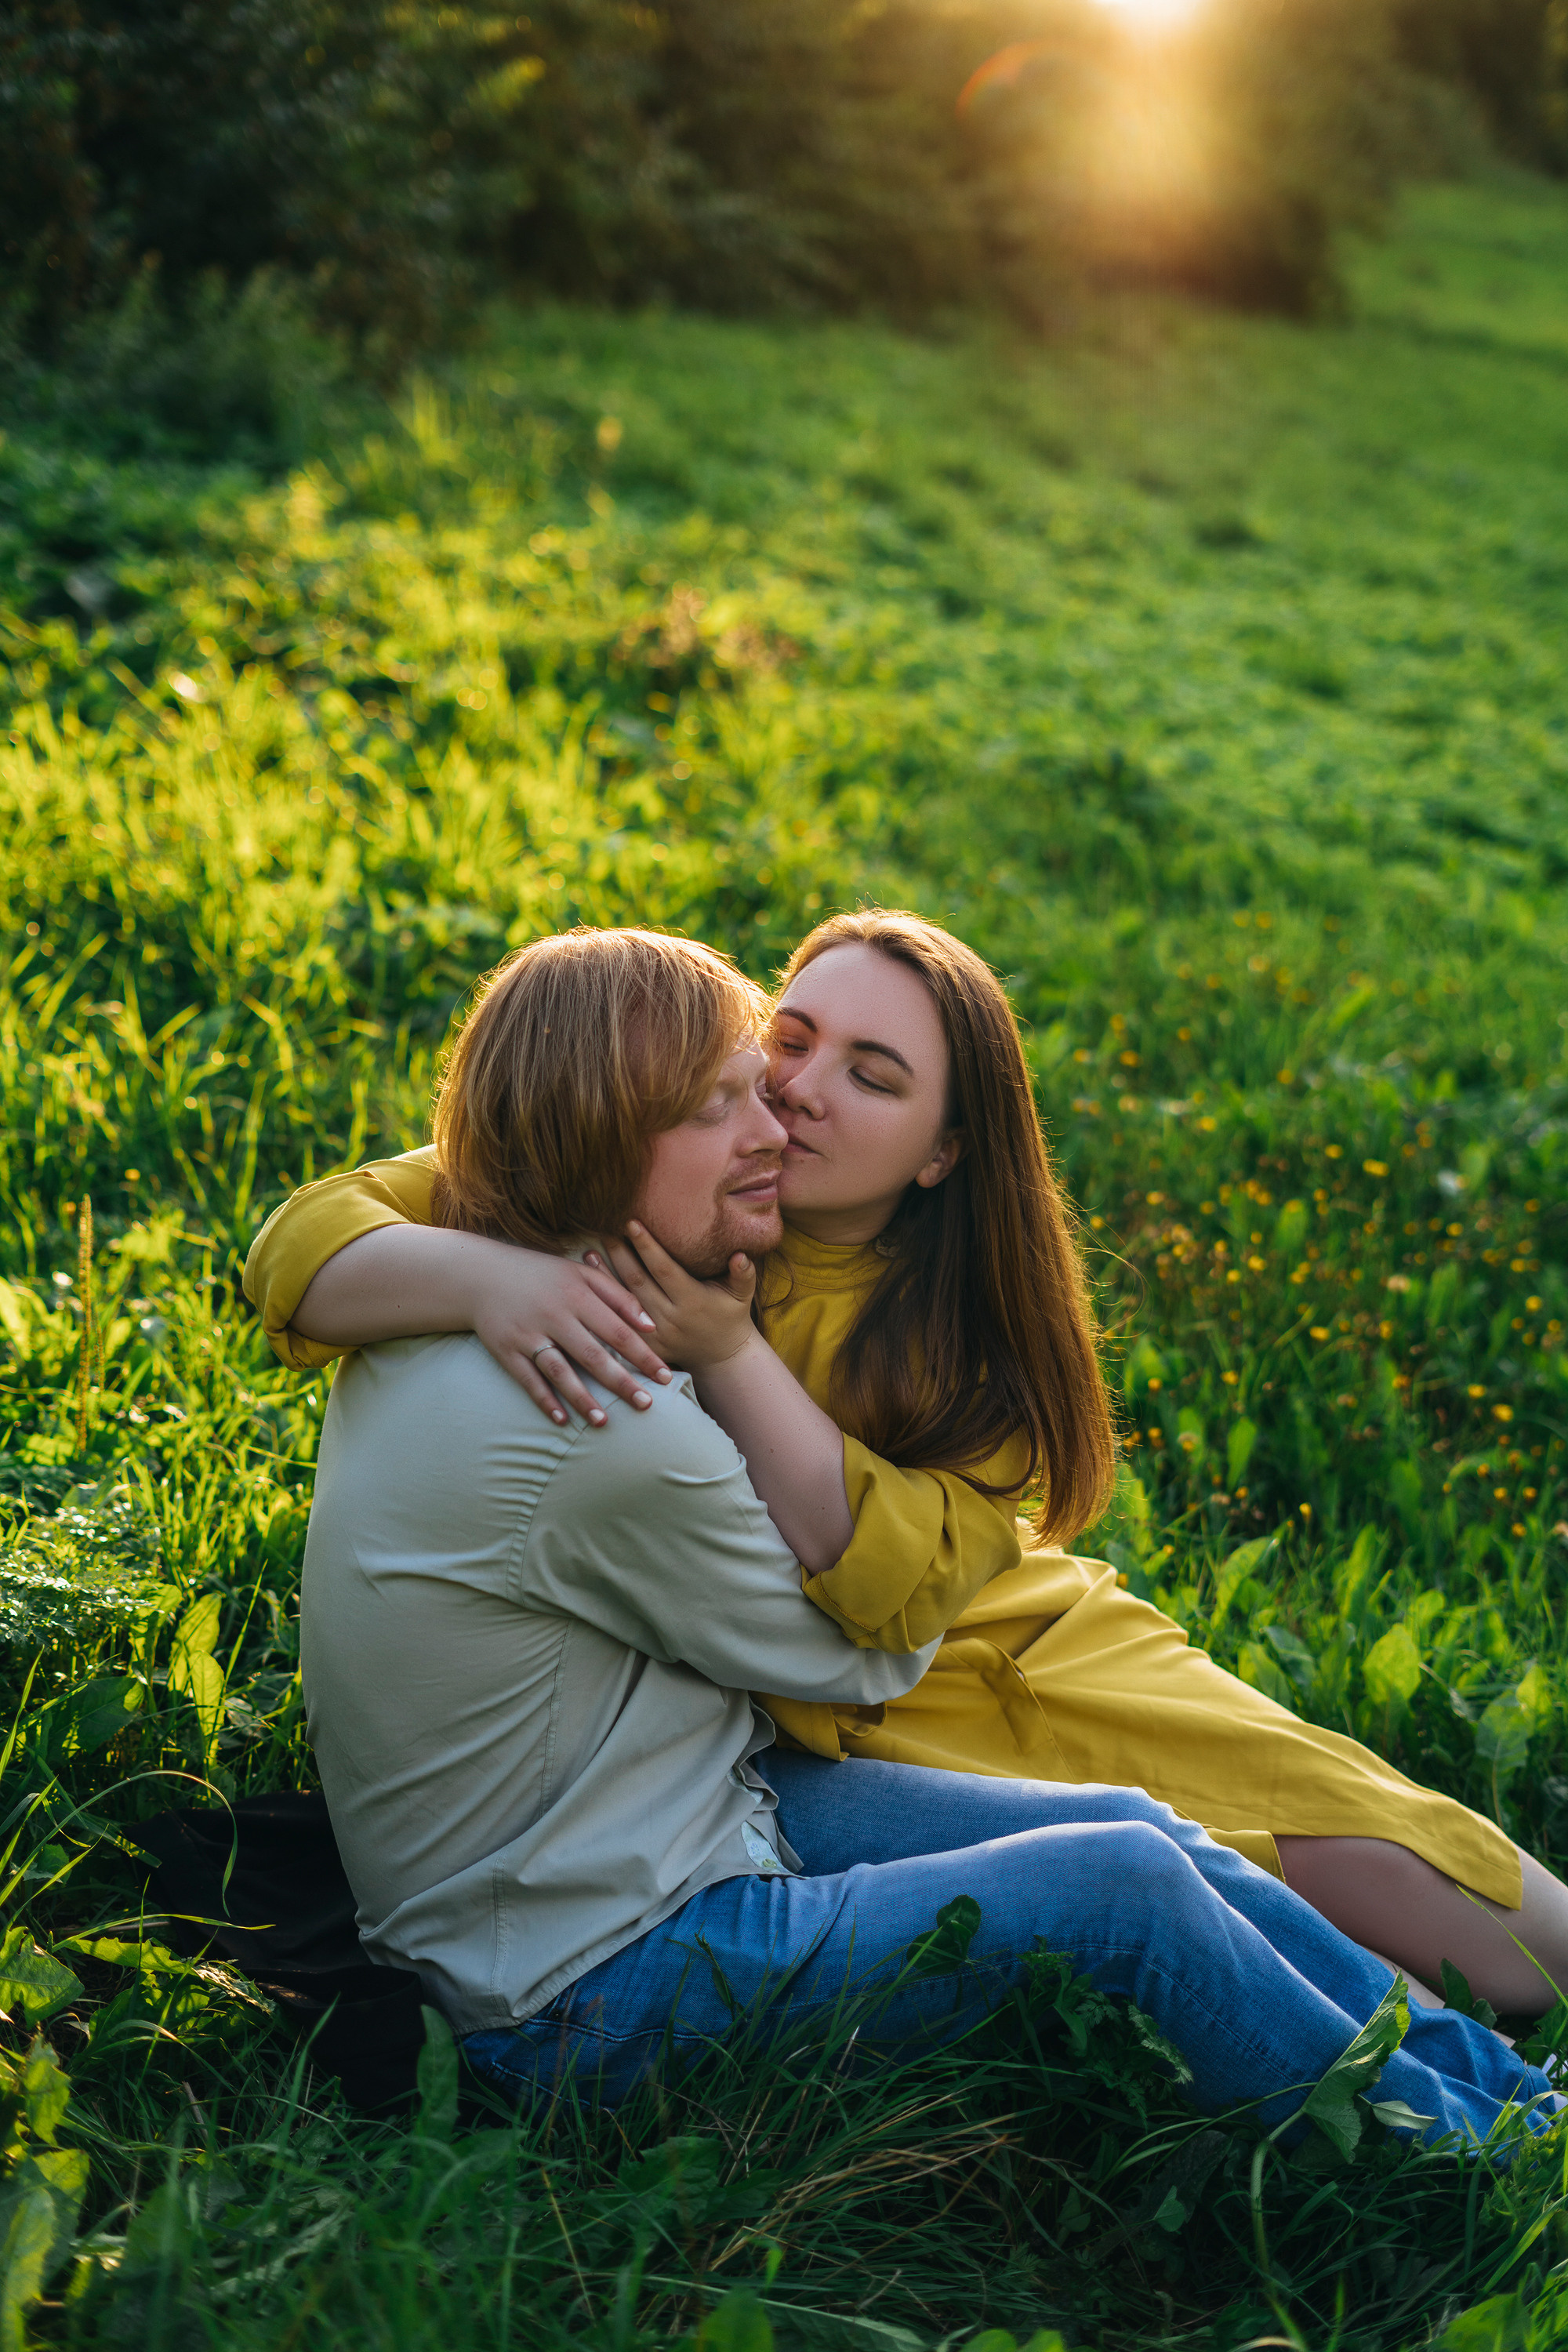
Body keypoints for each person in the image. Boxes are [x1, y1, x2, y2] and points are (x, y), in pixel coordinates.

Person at [288, 922, 1553, 2140]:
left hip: (872, 1709)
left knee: (1181, 1836)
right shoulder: (594, 1385)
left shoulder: (855, 1316)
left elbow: (892, 1608)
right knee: (1129, 1891)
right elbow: (858, 1656)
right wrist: (499, 1281)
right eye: (748, 1080)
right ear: (588, 1132)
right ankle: (1492, 2167)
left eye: (856, 1078)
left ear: (944, 1151)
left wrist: (695, 1342)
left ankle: (1521, 2106)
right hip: (582, 1980)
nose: (779, 1114)